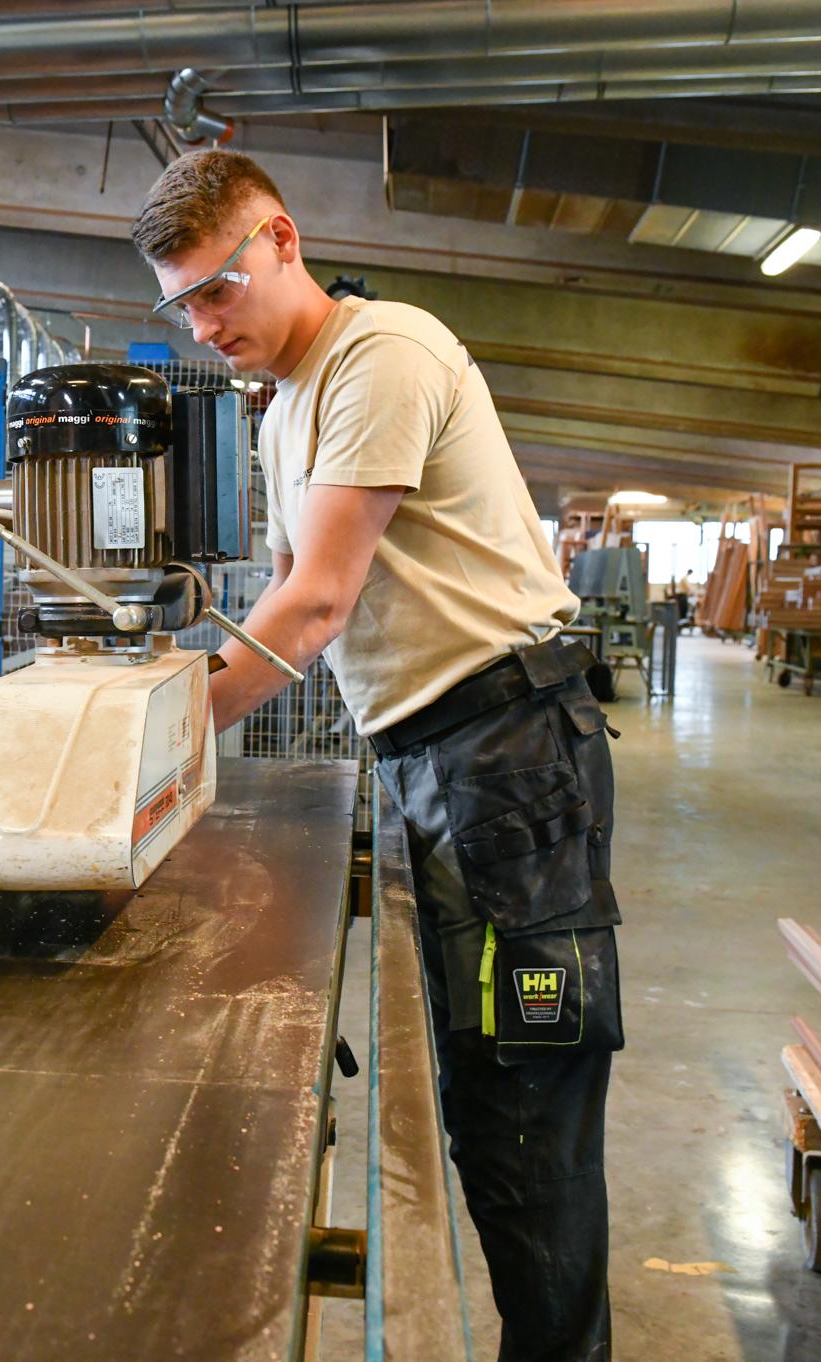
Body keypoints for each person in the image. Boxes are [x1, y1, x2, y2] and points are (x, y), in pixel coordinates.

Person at [131, 150, 623, 1362]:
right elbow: (280, 591)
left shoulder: (380, 357)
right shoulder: (282, 405)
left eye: (219, 287)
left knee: (523, 1115)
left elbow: (314, 607)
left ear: (283, 240)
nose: (204, 325)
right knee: (479, 1102)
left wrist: (146, 744)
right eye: (182, 304)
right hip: (433, 759)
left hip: (508, 760)